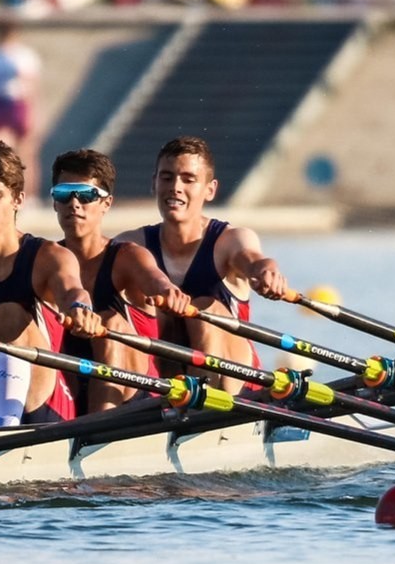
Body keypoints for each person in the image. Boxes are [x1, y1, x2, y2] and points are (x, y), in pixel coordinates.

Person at [114, 136, 290, 394]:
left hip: (236, 386)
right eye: (167, 177)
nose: (175, 187)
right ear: (154, 182)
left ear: (210, 189)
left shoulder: (230, 240)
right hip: (165, 388)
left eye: (188, 179)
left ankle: (211, 408)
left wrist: (267, 273)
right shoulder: (131, 244)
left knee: (205, 309)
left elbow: (254, 260)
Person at [0, 141, 103, 426]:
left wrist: (80, 308)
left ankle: (3, 435)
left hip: (43, 407)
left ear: (18, 199)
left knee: (7, 315)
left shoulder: (48, 256)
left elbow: (71, 288)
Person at [47, 148, 194, 412]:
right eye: (63, 194)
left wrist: (169, 292)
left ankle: (96, 431)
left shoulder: (127, 257)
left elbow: (155, 279)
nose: (74, 204)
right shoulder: (45, 259)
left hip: (133, 397)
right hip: (68, 391)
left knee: (110, 323)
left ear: (107, 203)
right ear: (55, 202)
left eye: (86, 195)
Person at [0, 10, 43, 197]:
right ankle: (2, 192)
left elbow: (33, 86)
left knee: (26, 153)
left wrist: (34, 114)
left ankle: (30, 196)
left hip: (20, 104)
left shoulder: (24, 56)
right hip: (1, 103)